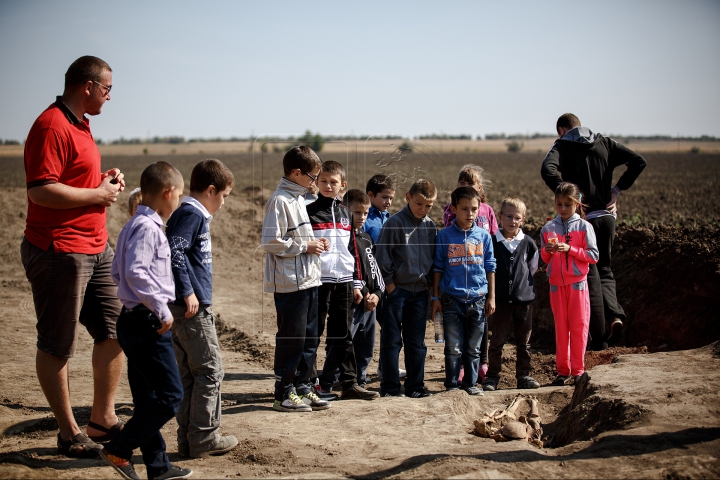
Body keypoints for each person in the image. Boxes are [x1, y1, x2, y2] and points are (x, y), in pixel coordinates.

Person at [20, 55, 126, 458]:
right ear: (87, 86)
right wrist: (98, 195)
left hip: (96, 246)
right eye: (107, 89)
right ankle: (68, 433)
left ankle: (103, 420)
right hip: (59, 250)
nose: (110, 97)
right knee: (57, 345)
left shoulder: (81, 125)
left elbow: (71, 182)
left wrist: (102, 184)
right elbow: (41, 190)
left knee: (117, 329)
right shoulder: (51, 125)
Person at [101, 161, 191, 480]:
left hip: (134, 318)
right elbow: (135, 272)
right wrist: (161, 309)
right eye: (179, 195)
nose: (179, 201)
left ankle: (158, 464)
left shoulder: (133, 226)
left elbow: (116, 272)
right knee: (170, 396)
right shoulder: (147, 228)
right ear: (167, 193)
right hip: (147, 322)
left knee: (148, 398)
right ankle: (119, 448)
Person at [541, 113, 647, 347]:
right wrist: (616, 190)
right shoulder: (605, 143)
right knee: (605, 269)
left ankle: (599, 339)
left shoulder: (562, 145)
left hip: (582, 220)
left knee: (589, 274)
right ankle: (615, 317)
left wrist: (571, 199)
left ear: (561, 130)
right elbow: (639, 161)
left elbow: (547, 170)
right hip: (607, 218)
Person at [166, 159, 238, 458]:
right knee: (209, 372)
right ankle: (205, 437)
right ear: (211, 190)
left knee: (191, 375)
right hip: (191, 309)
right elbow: (174, 249)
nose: (223, 202)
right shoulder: (192, 213)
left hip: (183, 309)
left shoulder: (189, 213)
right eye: (224, 196)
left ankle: (189, 439)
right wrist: (187, 291)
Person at [261, 146, 329, 412]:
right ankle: (284, 393)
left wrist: (314, 243)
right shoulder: (279, 201)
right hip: (290, 283)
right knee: (292, 338)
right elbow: (270, 242)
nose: (315, 183)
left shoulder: (300, 199)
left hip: (310, 279)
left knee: (309, 337)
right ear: (296, 172)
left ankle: (304, 386)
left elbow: (298, 238)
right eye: (312, 177)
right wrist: (305, 247)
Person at [308, 161, 379, 400]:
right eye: (324, 181)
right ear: (316, 182)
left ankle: (350, 384)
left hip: (345, 282)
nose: (328, 185)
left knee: (343, 336)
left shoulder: (347, 215)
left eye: (333, 182)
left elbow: (353, 252)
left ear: (343, 185)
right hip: (318, 282)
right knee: (313, 333)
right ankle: (308, 386)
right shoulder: (310, 212)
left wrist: (358, 283)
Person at [376, 179, 437, 398]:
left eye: (428, 206)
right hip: (397, 292)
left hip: (420, 293)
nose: (423, 209)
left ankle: (415, 387)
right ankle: (390, 388)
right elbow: (382, 259)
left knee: (416, 343)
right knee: (392, 341)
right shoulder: (394, 224)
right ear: (408, 198)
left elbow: (432, 260)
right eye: (419, 203)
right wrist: (391, 287)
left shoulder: (430, 226)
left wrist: (431, 290)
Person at [432, 187, 496, 395]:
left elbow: (490, 267)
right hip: (452, 299)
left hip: (478, 299)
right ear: (454, 209)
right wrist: (435, 297)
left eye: (474, 209)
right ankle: (451, 385)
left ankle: (470, 384)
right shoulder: (445, 236)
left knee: (473, 348)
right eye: (464, 209)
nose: (470, 214)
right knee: (453, 347)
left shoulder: (484, 237)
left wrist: (491, 296)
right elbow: (438, 268)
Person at [323, 189, 385, 388]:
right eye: (357, 212)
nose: (361, 217)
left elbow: (373, 269)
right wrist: (364, 291)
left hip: (368, 304)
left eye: (365, 213)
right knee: (342, 343)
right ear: (345, 210)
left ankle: (360, 379)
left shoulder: (366, 238)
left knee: (366, 345)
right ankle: (327, 382)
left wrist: (376, 294)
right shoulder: (341, 238)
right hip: (351, 299)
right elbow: (343, 269)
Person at [540, 183, 599, 386]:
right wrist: (548, 250)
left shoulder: (584, 227)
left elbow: (593, 255)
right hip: (556, 284)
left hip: (577, 285)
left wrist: (571, 249)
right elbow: (545, 258)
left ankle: (578, 371)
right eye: (559, 204)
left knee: (578, 326)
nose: (563, 209)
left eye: (567, 204)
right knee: (561, 328)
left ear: (577, 204)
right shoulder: (548, 228)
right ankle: (562, 372)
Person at [482, 198, 540, 391]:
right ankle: (493, 376)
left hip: (523, 301)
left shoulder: (528, 243)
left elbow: (532, 268)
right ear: (500, 217)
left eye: (517, 218)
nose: (512, 221)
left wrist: (520, 286)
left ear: (522, 220)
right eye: (509, 216)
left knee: (524, 341)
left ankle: (524, 375)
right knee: (497, 339)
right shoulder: (492, 242)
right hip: (499, 302)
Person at [363, 174, 396, 243]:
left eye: (391, 198)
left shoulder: (388, 218)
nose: (388, 202)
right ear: (370, 195)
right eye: (384, 197)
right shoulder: (363, 219)